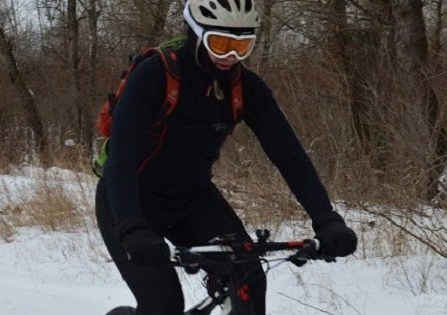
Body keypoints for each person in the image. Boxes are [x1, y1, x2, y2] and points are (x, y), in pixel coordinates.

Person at [96, 1, 358, 314]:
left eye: (242, 45)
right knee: (163, 306)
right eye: (220, 44)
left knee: (247, 273)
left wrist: (326, 218)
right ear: (196, 33)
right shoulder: (154, 75)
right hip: (129, 198)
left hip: (193, 198)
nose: (231, 56)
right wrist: (131, 227)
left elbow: (289, 156)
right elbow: (121, 157)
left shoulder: (245, 88)